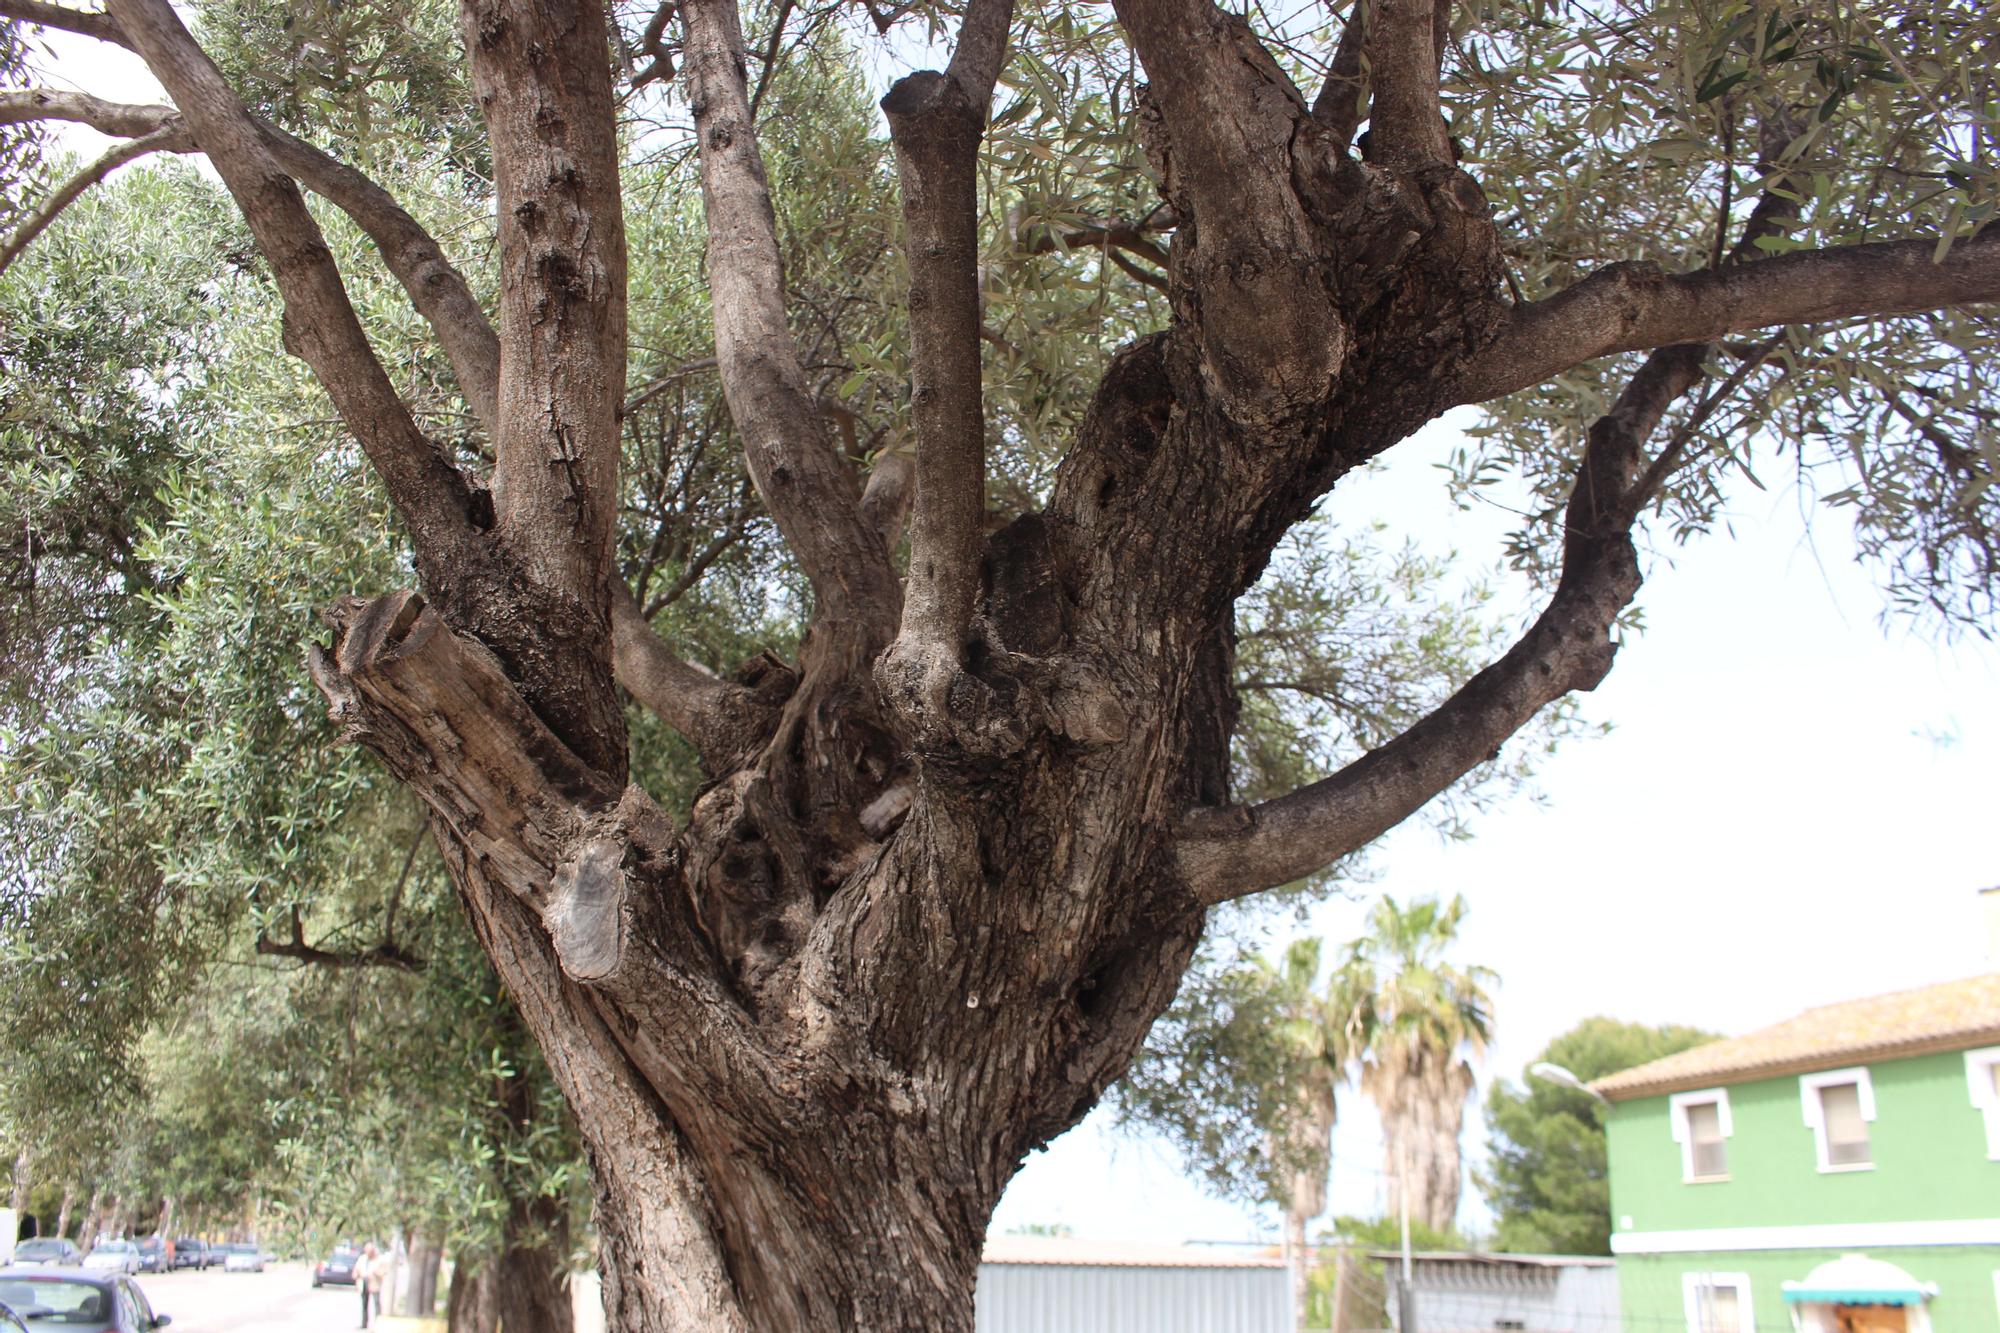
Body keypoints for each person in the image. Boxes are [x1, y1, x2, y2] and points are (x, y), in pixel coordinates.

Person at [357, 1241, 384, 1328]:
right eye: (367, 1251)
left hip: (374, 1283)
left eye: (370, 1251)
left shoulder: (379, 1259)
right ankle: (364, 1324)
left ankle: (378, 1324)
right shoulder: (362, 1258)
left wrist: (376, 1273)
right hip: (364, 1282)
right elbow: (357, 1269)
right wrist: (357, 1275)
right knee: (364, 1304)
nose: (368, 1253)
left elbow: (383, 1272)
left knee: (376, 1304)